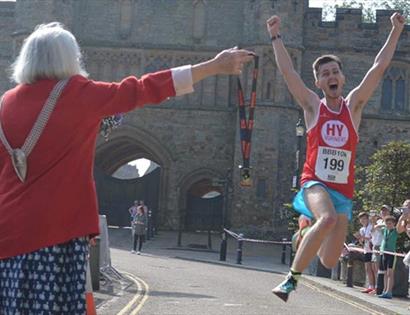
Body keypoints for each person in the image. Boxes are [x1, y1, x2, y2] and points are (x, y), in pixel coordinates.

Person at [0, 22, 254, 314]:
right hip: (56, 234)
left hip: (8, 236)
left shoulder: (6, 102)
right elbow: (141, 89)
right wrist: (211, 67)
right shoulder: (77, 94)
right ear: (68, 58)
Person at [266, 12, 406, 302]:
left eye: (335, 72)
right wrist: (276, 37)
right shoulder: (313, 107)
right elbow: (289, 74)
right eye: (324, 73)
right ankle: (290, 281)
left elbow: (379, 68)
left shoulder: (353, 106)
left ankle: (304, 234)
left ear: (343, 78)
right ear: (318, 82)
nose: (331, 76)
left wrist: (395, 30)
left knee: (329, 260)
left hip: (343, 191)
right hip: (314, 183)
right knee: (327, 218)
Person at [375, 215, 398, 299]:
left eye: (390, 223)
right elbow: (376, 227)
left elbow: (399, 227)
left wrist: (390, 225)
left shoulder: (395, 231)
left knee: (390, 273)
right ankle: (385, 290)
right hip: (383, 253)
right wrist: (384, 224)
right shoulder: (385, 230)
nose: (388, 225)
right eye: (387, 223)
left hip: (391, 254)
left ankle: (389, 292)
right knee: (384, 273)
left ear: (394, 224)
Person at [355, 212, 376, 293]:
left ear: (368, 219)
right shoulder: (362, 229)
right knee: (367, 269)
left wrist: (363, 237)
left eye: (364, 219)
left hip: (372, 250)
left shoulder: (371, 227)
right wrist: (360, 239)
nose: (363, 220)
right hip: (366, 250)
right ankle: (371, 286)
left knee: (373, 269)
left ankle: (376, 287)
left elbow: (371, 238)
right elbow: (362, 242)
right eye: (361, 219)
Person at [369, 210, 383, 294]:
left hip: (379, 246)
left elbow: (379, 228)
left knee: (377, 268)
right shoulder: (377, 222)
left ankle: (378, 288)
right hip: (374, 246)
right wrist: (374, 222)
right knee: (374, 268)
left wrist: (376, 224)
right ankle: (375, 287)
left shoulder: (383, 222)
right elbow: (372, 231)